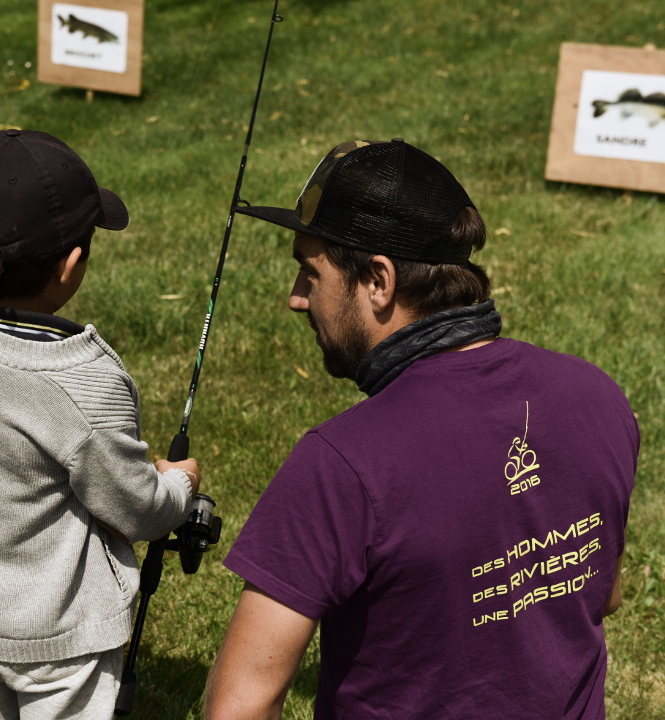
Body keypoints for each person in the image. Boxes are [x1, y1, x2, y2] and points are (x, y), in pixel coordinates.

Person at [204, 139, 637, 720]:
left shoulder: (341, 465)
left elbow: (239, 706)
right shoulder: (597, 395)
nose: (296, 298)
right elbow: (600, 593)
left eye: (311, 272)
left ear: (378, 281)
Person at [0, 128, 201, 720]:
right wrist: (180, 485)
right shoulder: (84, 377)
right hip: (64, 644)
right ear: (71, 265)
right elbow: (137, 509)